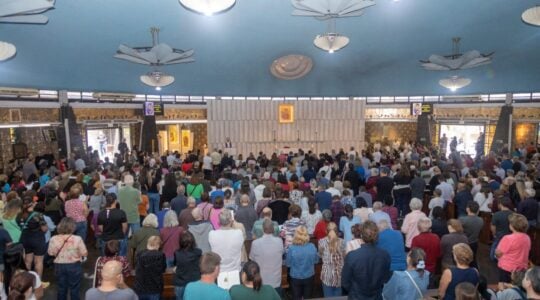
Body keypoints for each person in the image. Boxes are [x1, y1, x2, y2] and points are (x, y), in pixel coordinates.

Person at [342, 220, 392, 299]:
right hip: (376, 296)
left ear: (361, 235)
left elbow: (345, 282)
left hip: (357, 296)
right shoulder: (385, 255)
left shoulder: (352, 256)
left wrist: (355, 291)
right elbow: (386, 278)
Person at [47, 217, 88, 300]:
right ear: (73, 227)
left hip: (59, 266)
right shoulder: (77, 239)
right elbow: (84, 253)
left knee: (61, 288)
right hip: (74, 266)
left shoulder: (53, 239)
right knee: (74, 288)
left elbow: (50, 253)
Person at [208, 209, 244, 290]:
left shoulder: (212, 234)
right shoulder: (238, 233)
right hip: (234, 270)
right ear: (231, 220)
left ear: (219, 222)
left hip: (220, 271)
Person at [495, 213, 531, 290]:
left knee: (503, 287)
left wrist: (496, 254)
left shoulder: (508, 238)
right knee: (516, 289)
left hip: (507, 268)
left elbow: (498, 253)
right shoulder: (527, 238)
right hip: (521, 269)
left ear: (512, 226)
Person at [249, 219, 284, 295]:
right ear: (273, 229)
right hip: (275, 281)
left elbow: (252, 260)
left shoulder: (255, 243)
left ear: (263, 229)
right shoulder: (279, 241)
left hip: (262, 282)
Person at [17, 197, 47, 279]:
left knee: (27, 261)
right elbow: (44, 228)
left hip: (25, 239)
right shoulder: (37, 215)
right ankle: (38, 281)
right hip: (37, 239)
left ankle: (27, 281)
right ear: (31, 204)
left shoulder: (19, 215)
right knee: (38, 262)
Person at [285, 226, 319, 300]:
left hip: (295, 277)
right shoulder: (312, 246)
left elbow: (288, 264)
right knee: (308, 298)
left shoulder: (291, 248)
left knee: (296, 297)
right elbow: (316, 261)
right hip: (309, 276)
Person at [318, 222, 344, 297]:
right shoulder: (342, 242)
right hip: (339, 275)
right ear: (337, 231)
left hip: (327, 276)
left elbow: (320, 255)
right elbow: (344, 257)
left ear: (326, 231)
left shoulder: (321, 242)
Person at [174, 231, 202, 300]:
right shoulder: (198, 252)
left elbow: (175, 264)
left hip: (180, 282)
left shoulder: (177, 253)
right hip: (194, 281)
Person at [459, 201, 483, 269]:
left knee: (462, 260)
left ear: (467, 209)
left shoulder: (462, 219)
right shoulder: (480, 220)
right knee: (473, 258)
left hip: (464, 243)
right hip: (474, 242)